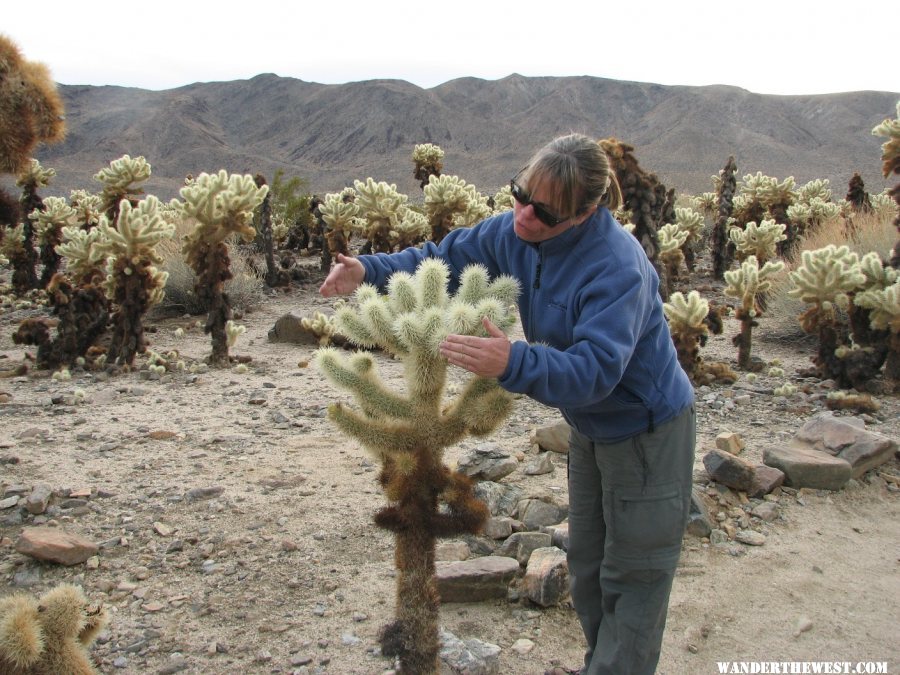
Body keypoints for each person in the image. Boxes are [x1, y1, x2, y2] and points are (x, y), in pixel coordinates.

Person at [320, 133, 696, 675]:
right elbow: (441, 257)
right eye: (521, 194)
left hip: (646, 429)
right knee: (588, 569)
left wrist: (512, 362)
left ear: (586, 211)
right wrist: (367, 270)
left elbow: (596, 371)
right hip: (591, 427)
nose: (524, 215)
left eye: (545, 211)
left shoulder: (617, 267)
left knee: (633, 576)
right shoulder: (515, 229)